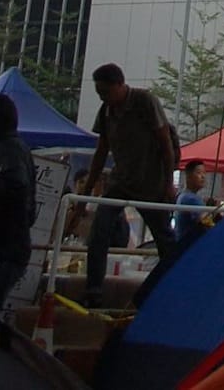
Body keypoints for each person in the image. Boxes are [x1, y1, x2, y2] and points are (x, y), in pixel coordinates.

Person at [82, 64, 176, 308]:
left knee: (164, 237)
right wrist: (86, 192)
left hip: (150, 182)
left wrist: (169, 182)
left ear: (119, 85)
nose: (102, 97)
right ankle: (93, 290)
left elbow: (165, 142)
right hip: (120, 181)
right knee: (99, 232)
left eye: (105, 91)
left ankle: (174, 285)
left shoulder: (144, 101)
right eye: (99, 92)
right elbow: (101, 152)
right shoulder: (106, 111)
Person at [0, 94, 35, 316]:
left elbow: (15, 186)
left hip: (1, 251)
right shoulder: (15, 148)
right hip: (10, 249)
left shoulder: (8, 149)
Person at [173, 161, 208, 244]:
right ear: (188, 177)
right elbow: (207, 222)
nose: (203, 176)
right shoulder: (191, 198)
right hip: (190, 247)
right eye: (199, 173)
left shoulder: (183, 195)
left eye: (204, 173)